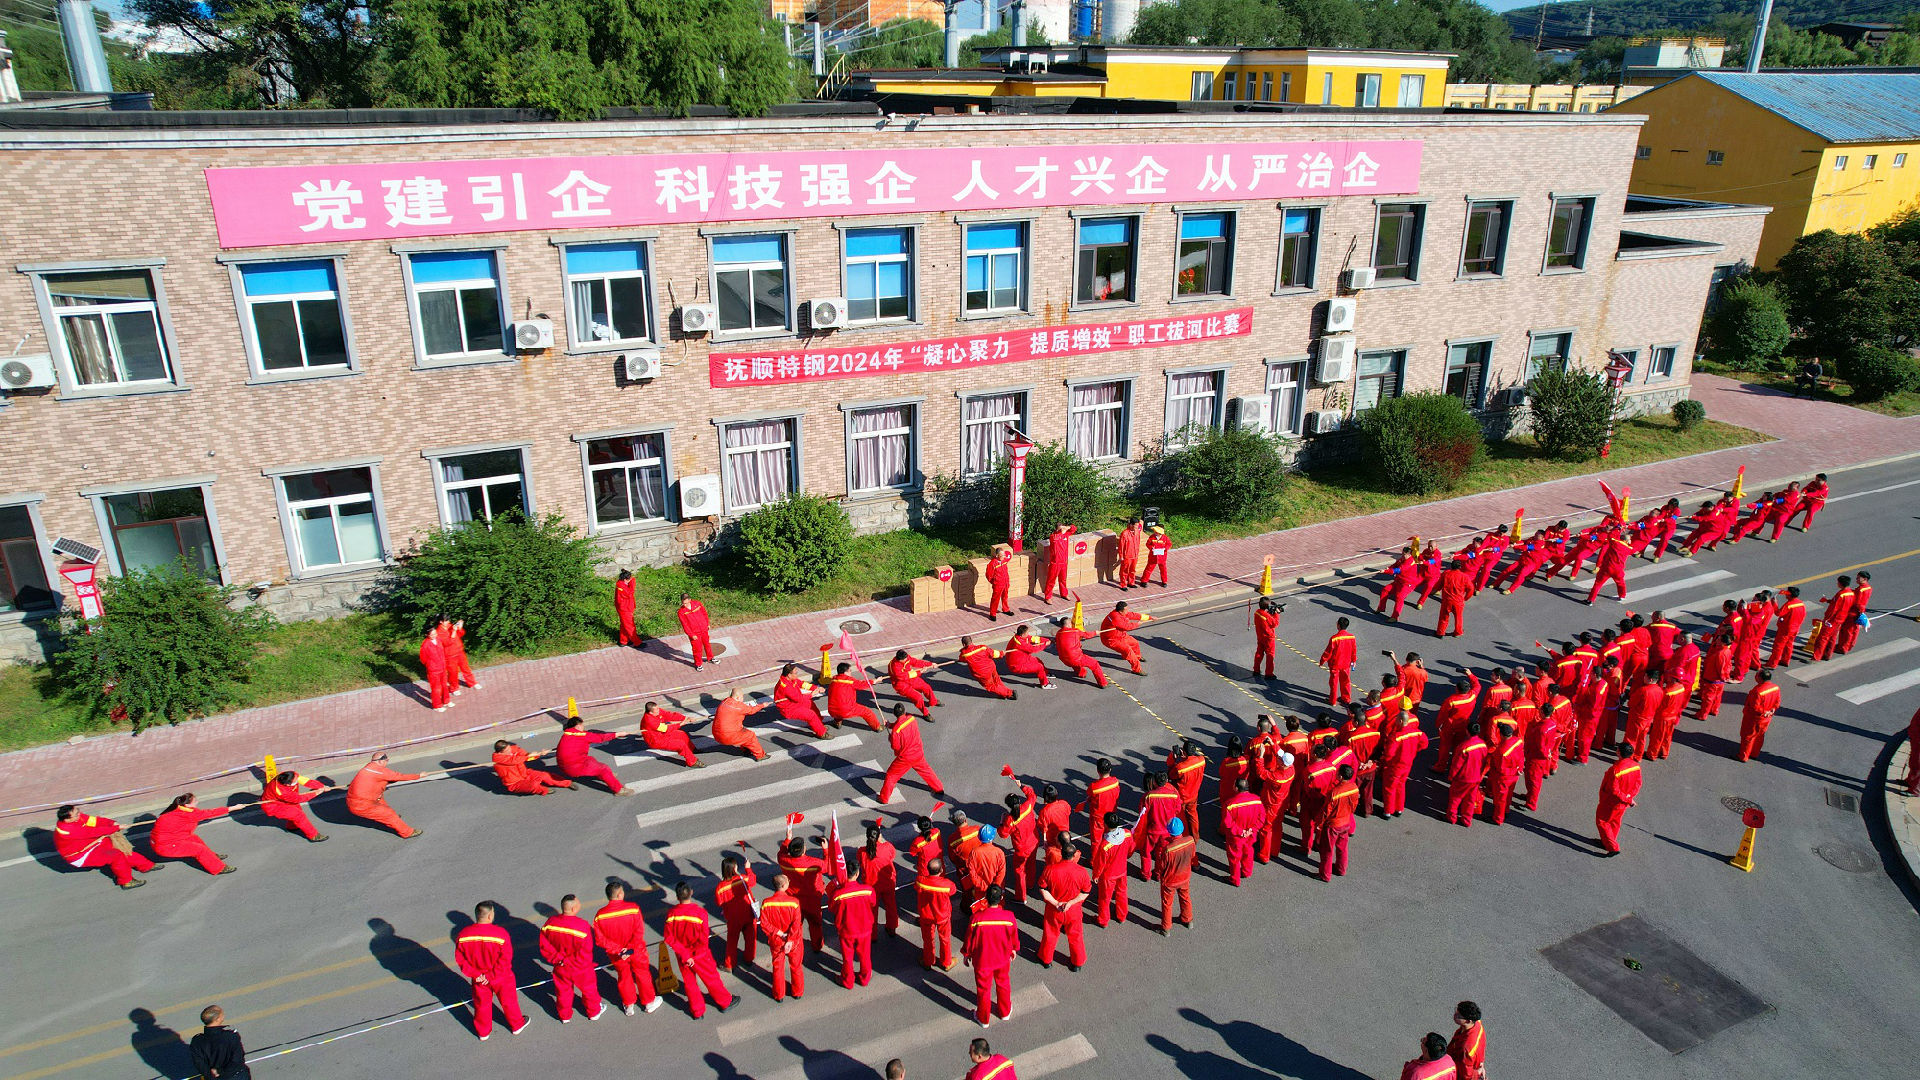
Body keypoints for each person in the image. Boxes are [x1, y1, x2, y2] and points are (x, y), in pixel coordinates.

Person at [455, 901, 530, 1040]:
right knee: (509, 1001)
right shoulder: (500, 934)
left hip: (479, 978)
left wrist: (476, 974)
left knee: (481, 1004)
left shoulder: (463, 935)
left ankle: (483, 1032)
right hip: (501, 976)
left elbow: (461, 960)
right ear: (490, 915)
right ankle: (516, 1025)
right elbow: (506, 958)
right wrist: (490, 975)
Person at [663, 882, 734, 1018]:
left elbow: (669, 938)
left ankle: (697, 1011)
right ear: (691, 893)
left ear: (677, 897)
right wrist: (695, 954)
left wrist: (685, 954)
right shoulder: (699, 913)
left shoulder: (671, 914)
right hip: (699, 953)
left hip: (682, 955)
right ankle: (725, 1002)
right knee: (711, 978)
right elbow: (703, 938)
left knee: (690, 982)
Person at [595, 881, 662, 1014]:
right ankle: (649, 1002)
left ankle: (629, 1004)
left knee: (624, 976)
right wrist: (629, 948)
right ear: (620, 894)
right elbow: (639, 932)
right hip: (636, 950)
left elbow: (600, 940)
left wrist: (618, 950)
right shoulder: (633, 909)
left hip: (617, 955)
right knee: (642, 974)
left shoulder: (600, 915)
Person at [54, 806, 157, 889]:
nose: (80, 814)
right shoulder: (67, 831)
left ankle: (145, 865)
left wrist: (111, 823)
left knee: (120, 848)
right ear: (67, 819)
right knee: (116, 855)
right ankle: (126, 881)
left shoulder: (78, 818)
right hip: (81, 854)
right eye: (76, 814)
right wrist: (116, 828)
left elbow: (96, 821)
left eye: (78, 811)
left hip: (92, 844)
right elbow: (94, 832)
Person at [540, 893, 606, 1022]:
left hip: (560, 966)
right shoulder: (582, 926)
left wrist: (559, 959)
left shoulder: (550, 924)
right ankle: (594, 1012)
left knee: (563, 992)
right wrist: (569, 961)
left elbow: (545, 946)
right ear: (573, 908)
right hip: (580, 967)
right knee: (589, 990)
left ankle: (564, 1016)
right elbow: (585, 951)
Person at [965, 884, 1020, 1028]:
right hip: (1002, 958)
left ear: (986, 899)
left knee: (983, 989)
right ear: (1001, 898)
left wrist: (966, 953)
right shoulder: (1009, 917)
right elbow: (1014, 936)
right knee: (1003, 983)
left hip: (982, 961)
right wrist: (1014, 949)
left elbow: (969, 939)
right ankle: (1004, 1012)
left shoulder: (976, 919)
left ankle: (983, 1018)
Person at [1036, 843, 1091, 969]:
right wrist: (1070, 903)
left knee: (1050, 934)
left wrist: (1056, 903)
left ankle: (1046, 959)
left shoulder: (1050, 869)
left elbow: (1043, 889)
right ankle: (1077, 963)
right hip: (1073, 910)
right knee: (1076, 936)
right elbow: (1085, 892)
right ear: (1074, 855)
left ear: (1062, 854)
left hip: (1054, 909)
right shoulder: (1082, 872)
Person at [151, 794, 235, 875]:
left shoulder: (176, 809)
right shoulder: (188, 814)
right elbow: (210, 813)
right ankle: (219, 868)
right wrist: (233, 808)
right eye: (195, 801)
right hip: (166, 846)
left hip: (165, 840)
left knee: (194, 839)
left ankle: (212, 857)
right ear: (187, 805)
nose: (197, 802)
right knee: (200, 849)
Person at [879, 704, 946, 804]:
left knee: (891, 775)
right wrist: (890, 725)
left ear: (894, 714)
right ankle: (939, 788)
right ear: (904, 711)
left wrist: (891, 738)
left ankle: (884, 798)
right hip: (918, 752)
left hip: (905, 758)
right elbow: (901, 724)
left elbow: (895, 747)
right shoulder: (911, 719)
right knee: (926, 771)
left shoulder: (895, 731)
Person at [346, 753, 423, 837]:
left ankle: (392, 819)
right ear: (380, 761)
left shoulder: (368, 768)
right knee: (388, 814)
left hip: (367, 798)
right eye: (386, 761)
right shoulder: (379, 771)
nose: (387, 763)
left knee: (382, 803)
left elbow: (383, 779)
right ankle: (407, 832)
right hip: (361, 804)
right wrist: (419, 776)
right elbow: (399, 776)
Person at [759, 874, 806, 1000]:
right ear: (784, 885)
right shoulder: (794, 902)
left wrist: (779, 933)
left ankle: (779, 994)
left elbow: (764, 924)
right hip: (794, 941)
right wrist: (790, 939)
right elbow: (796, 924)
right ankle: (797, 992)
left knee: (778, 967)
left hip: (776, 941)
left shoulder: (766, 903)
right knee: (796, 966)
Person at [555, 718, 630, 795]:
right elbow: (601, 737)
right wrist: (618, 734)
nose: (583, 727)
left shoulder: (566, 734)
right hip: (574, 767)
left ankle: (604, 776)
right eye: (582, 725)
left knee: (591, 760)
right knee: (604, 769)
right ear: (578, 726)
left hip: (564, 765)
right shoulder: (583, 735)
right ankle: (618, 790)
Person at [777, 837, 829, 950]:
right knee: (815, 924)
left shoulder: (783, 860)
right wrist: (826, 850)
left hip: (794, 899)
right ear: (804, 850)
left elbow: (781, 853)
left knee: (795, 924)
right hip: (812, 899)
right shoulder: (814, 863)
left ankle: (796, 946)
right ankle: (817, 945)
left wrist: (787, 839)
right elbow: (827, 866)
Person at [829, 872, 878, 988]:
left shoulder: (838, 894)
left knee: (847, 957)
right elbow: (873, 903)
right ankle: (865, 978)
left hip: (846, 930)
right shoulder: (868, 890)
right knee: (865, 955)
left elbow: (832, 908)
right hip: (864, 929)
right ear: (857, 873)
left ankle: (848, 980)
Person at [1596, 742, 1643, 856]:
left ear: (1619, 753)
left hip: (1611, 802)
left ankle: (1613, 847)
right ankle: (1607, 841)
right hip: (1623, 802)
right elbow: (1638, 783)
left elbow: (1614, 790)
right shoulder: (1636, 766)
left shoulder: (1616, 769)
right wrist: (1629, 797)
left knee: (1603, 821)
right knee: (1615, 822)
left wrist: (1627, 799)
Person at [258, 769, 330, 843]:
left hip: (284, 800)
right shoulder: (282, 792)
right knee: (298, 815)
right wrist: (316, 793)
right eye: (295, 780)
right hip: (273, 806)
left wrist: (322, 786)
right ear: (288, 785)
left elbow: (306, 781)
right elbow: (299, 799)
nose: (298, 779)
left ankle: (292, 826)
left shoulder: (290, 776)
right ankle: (314, 836)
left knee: (296, 810)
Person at [715, 854, 759, 971]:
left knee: (732, 941)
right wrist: (748, 868)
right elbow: (753, 880)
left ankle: (729, 964)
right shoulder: (743, 879)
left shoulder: (720, 887)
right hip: (748, 913)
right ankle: (749, 958)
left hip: (733, 918)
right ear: (735, 868)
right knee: (750, 938)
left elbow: (719, 902)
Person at [1153, 816, 1198, 933]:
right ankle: (1188, 920)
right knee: (1185, 897)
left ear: (1170, 832)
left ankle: (1166, 928)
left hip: (1170, 880)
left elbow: (1162, 866)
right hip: (1185, 876)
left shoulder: (1168, 849)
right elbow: (1193, 856)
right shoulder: (1190, 840)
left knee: (1167, 903)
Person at [1318, 764, 1360, 880]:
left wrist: (1319, 825)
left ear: (1340, 776)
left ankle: (1325, 875)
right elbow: (1354, 805)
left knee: (1327, 850)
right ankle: (1341, 869)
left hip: (1333, 825)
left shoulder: (1334, 792)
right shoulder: (1354, 787)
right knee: (1342, 847)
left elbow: (1326, 811)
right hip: (1346, 822)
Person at [858, 823, 901, 937]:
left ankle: (873, 934)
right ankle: (892, 927)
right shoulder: (887, 847)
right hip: (887, 882)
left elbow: (861, 861)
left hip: (871, 885)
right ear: (879, 836)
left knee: (872, 910)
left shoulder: (862, 852)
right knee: (891, 906)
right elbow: (892, 856)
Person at [1379, 719, 1427, 818]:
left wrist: (1384, 761)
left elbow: (1389, 754)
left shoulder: (1395, 736)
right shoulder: (1417, 732)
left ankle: (1388, 811)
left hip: (1394, 766)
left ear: (1400, 721)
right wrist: (1413, 751)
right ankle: (1399, 808)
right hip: (1407, 765)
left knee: (1389, 788)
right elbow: (1424, 744)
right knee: (1401, 786)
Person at [1221, 776, 1265, 885]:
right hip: (1250, 834)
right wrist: (1252, 829)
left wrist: (1241, 832)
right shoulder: (1257, 800)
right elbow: (1261, 818)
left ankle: (1235, 879)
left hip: (1236, 837)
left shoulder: (1230, 804)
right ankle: (1246, 871)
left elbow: (1228, 823)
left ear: (1236, 788)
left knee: (1234, 858)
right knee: (1248, 852)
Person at [915, 857, 958, 969]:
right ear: (941, 870)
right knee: (945, 939)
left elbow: (917, 887)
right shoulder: (947, 885)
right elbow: (953, 891)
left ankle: (928, 961)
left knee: (928, 939)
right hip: (942, 916)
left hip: (926, 915)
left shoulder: (920, 881)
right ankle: (946, 962)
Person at [1091, 814, 1134, 927]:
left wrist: (1096, 875)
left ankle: (1103, 920)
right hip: (1122, 871)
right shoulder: (1127, 834)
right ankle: (1122, 916)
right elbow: (1131, 849)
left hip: (1108, 876)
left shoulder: (1105, 845)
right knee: (1122, 893)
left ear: (1105, 824)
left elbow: (1100, 863)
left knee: (1104, 898)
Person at [1002, 786, 1042, 903]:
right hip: (1034, 842)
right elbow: (1032, 795)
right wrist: (1022, 787)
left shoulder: (1010, 819)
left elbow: (1003, 834)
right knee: (1031, 864)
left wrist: (1001, 822)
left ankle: (1021, 897)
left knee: (1020, 872)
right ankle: (1030, 884)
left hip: (1021, 849)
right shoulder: (1028, 806)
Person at [189, 1005, 250, 1080]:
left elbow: (199, 1064)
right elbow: (237, 1060)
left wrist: (211, 1076)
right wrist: (220, 1072)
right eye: (222, 1014)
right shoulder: (230, 1037)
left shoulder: (196, 1041)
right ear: (217, 1019)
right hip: (235, 1076)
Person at [491, 739, 573, 795]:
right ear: (500, 752)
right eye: (507, 750)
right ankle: (543, 790)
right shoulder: (499, 759)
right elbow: (514, 760)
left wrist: (538, 754)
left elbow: (526, 755)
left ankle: (567, 783)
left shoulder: (513, 750)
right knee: (534, 785)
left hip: (525, 773)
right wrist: (527, 756)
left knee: (544, 775)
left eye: (509, 748)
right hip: (515, 783)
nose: (510, 751)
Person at [636, 701, 703, 768]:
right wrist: (680, 724)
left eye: (658, 708)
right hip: (656, 740)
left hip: (662, 733)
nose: (659, 710)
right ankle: (692, 762)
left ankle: (691, 749)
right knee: (680, 744)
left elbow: (669, 715)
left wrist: (685, 718)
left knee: (682, 734)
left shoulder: (657, 711)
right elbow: (665, 728)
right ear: (650, 712)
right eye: (656, 710)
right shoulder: (649, 720)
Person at [1446, 723, 1488, 827]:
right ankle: (1466, 819)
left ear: (1467, 731)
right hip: (1476, 777)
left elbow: (1456, 764)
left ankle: (1451, 817)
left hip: (1463, 778)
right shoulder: (1483, 744)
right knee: (1470, 800)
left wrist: (1451, 776)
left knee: (1455, 798)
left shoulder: (1464, 747)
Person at [710, 688, 769, 762]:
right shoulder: (739, 706)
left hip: (716, 734)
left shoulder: (725, 701)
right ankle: (760, 755)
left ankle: (746, 750)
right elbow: (751, 710)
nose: (743, 699)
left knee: (743, 732)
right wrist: (763, 705)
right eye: (742, 697)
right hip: (728, 736)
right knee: (750, 736)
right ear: (737, 697)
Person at [1736, 669, 1782, 762]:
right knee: (1759, 736)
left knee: (1748, 736)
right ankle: (1754, 753)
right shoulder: (1775, 688)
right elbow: (1777, 702)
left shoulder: (1757, 691)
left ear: (1760, 678)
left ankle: (1743, 756)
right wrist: (1771, 710)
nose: (1755, 676)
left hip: (1754, 718)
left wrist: (1764, 711)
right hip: (1767, 718)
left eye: (1756, 675)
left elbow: (1755, 708)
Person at [773, 663, 829, 737]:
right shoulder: (786, 687)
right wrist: (812, 694)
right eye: (795, 673)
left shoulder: (790, 680)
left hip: (792, 703)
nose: (797, 675)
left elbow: (802, 684)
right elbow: (799, 699)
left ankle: (819, 724)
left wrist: (816, 688)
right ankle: (822, 733)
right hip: (788, 708)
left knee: (811, 704)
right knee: (810, 715)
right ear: (789, 675)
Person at [1052, 617, 1109, 688]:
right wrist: (1095, 633)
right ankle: (1103, 683)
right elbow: (1087, 635)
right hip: (1076, 658)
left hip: (1064, 659)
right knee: (1094, 664)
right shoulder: (1075, 631)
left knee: (1074, 662)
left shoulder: (1058, 633)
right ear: (1068, 624)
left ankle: (1081, 673)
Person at [1166, 740, 1206, 839]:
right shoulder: (1202, 760)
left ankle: (1184, 838)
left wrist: (1174, 759)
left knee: (1181, 817)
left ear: (1184, 752)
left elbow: (1170, 775)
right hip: (1194, 794)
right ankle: (1195, 837)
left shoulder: (1180, 767)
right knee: (1193, 816)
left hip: (1182, 796)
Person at [1811, 577, 1858, 662]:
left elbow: (1834, 608)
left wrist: (1827, 619)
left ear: (1840, 583)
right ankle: (1828, 654)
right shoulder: (1851, 593)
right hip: (1841, 619)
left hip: (1832, 620)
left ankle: (1816, 657)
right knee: (1832, 637)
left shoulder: (1841, 594)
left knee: (1822, 638)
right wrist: (1828, 601)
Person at [1099, 602, 1153, 676]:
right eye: (1126, 610)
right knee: (1128, 650)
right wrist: (1137, 624)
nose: (1128, 611)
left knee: (1134, 643)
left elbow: (1134, 615)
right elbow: (1126, 627)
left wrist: (1150, 617)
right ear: (1120, 611)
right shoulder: (1115, 618)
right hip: (1111, 640)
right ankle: (1136, 670)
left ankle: (1137, 657)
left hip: (1120, 635)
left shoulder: (1122, 613)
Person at [826, 663, 882, 731]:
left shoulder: (833, 680)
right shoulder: (850, 681)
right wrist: (875, 680)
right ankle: (877, 727)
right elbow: (862, 685)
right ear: (845, 672)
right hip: (846, 710)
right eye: (850, 671)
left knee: (838, 705)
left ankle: (837, 722)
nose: (851, 672)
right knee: (867, 712)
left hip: (831, 710)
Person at [889, 650, 943, 717]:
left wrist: (930, 664)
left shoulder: (906, 657)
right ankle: (925, 713)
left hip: (910, 677)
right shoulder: (894, 666)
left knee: (926, 687)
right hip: (900, 684)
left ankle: (933, 701)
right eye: (905, 659)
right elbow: (903, 676)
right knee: (918, 698)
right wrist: (920, 672)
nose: (907, 659)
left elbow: (916, 662)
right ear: (900, 660)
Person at [1584, 528, 1632, 605]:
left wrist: (1617, 529)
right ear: (1626, 541)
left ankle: (1590, 600)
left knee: (1598, 583)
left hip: (1607, 567)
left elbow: (1610, 535)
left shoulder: (1615, 543)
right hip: (1618, 569)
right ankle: (1622, 595)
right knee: (1620, 582)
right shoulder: (1629, 549)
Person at [1003, 624, 1056, 689]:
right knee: (1039, 667)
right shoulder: (1020, 643)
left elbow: (1035, 639)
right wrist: (1045, 644)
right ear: (1023, 634)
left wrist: (1047, 640)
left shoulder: (1020, 637)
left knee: (1038, 660)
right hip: (1017, 665)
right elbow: (1033, 649)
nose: (1028, 634)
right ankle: (1045, 684)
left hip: (1022, 658)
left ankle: (1045, 673)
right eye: (1027, 632)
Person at [1320, 617, 1358, 706]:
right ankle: (1346, 698)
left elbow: (1328, 652)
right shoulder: (1351, 637)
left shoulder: (1334, 638)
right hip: (1346, 664)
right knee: (1346, 681)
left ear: (1338, 625)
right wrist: (1353, 660)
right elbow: (1354, 650)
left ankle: (1333, 700)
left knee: (1334, 683)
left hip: (1335, 664)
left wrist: (1322, 661)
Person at [1769, 587, 1808, 668]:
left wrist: (1774, 603)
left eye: (1787, 592)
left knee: (1778, 646)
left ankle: (1772, 664)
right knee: (1789, 645)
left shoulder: (1789, 604)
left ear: (1789, 594)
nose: (1785, 594)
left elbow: (1778, 613)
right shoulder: (1801, 603)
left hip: (1786, 629)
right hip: (1795, 628)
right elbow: (1803, 615)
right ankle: (1785, 660)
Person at [420, 618, 452, 712]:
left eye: (435, 633)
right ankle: (437, 705)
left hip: (442, 667)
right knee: (436, 688)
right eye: (432, 634)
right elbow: (423, 659)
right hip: (433, 670)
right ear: (427, 635)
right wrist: (431, 665)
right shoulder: (425, 645)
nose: (435, 635)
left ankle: (446, 701)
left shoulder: (438, 640)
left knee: (444, 685)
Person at [1379, 545, 1418, 621]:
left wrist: (1386, 571)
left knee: (1399, 597)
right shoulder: (1402, 559)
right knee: (1385, 590)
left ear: (1409, 555)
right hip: (1399, 581)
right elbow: (1395, 565)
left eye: (1404, 554)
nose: (1402, 556)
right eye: (1402, 554)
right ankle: (1381, 608)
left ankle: (1395, 617)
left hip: (1407, 584)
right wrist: (1389, 568)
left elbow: (1399, 570)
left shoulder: (1410, 562)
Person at [1449, 1002, 1487, 1080]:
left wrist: (1477, 1073)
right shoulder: (1477, 1023)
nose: (1454, 1015)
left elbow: (1466, 1075)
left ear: (1468, 1021)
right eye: (1456, 1011)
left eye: (1459, 1016)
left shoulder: (1467, 1049)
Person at [1435, 559, 1472, 637]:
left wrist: (1436, 589)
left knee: (1443, 617)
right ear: (1460, 567)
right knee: (1458, 617)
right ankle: (1458, 632)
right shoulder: (1464, 576)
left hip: (1447, 600)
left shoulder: (1446, 574)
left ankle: (1440, 632)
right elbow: (1471, 589)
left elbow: (1438, 585)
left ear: (1451, 566)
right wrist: (1466, 598)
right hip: (1458, 601)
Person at [678, 593, 716, 670]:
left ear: (690, 600)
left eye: (686, 603)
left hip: (704, 629)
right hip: (695, 634)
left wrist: (707, 624)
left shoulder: (697, 604)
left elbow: (704, 613)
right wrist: (691, 634)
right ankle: (698, 664)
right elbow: (685, 625)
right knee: (697, 649)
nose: (684, 605)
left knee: (707, 644)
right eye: (683, 603)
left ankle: (710, 658)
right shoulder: (681, 612)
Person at [1839, 571, 1872, 655]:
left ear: (1864, 579)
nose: (1856, 579)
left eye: (1858, 578)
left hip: (1853, 612)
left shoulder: (1860, 589)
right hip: (1860, 612)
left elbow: (1856, 602)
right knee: (1855, 630)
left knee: (1847, 630)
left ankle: (1843, 648)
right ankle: (1851, 644)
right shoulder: (1868, 587)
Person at [1042, 523, 1076, 602]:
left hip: (1064, 562)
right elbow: (1056, 537)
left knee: (1063, 579)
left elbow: (1074, 528)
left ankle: (1064, 594)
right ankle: (1048, 597)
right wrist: (1061, 531)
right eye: (1061, 529)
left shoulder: (1066, 535)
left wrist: (1067, 527)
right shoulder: (1053, 536)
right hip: (1055, 563)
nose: (1063, 530)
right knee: (1051, 580)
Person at [445, 619, 479, 692]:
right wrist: (454, 632)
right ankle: (454, 688)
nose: (448, 622)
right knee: (453, 673)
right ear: (441, 622)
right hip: (450, 655)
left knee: (465, 668)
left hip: (459, 651)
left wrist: (460, 628)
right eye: (446, 621)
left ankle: (472, 683)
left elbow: (460, 634)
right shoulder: (440, 631)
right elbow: (447, 642)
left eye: (448, 620)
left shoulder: (451, 626)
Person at [1252, 598, 1281, 678]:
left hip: (1260, 636)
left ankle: (1256, 670)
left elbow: (1265, 619)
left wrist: (1269, 614)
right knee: (1270, 655)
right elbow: (1275, 623)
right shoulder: (1266, 615)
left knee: (1259, 653)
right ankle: (1269, 673)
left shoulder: (1257, 612)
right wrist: (1277, 614)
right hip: (1268, 638)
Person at [984, 546, 1013, 621]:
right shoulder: (992, 563)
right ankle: (992, 614)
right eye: (1002, 555)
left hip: (1005, 582)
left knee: (1005, 596)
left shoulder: (1004, 560)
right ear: (997, 555)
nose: (1004, 556)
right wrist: (994, 582)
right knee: (995, 599)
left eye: (1004, 554)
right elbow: (988, 575)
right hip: (998, 584)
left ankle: (1006, 609)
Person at [614, 570, 640, 648]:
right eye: (629, 579)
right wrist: (633, 583)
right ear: (625, 579)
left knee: (624, 625)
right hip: (625, 609)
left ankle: (623, 641)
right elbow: (629, 593)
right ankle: (637, 642)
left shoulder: (621, 584)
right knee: (630, 626)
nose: (631, 579)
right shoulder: (621, 587)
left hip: (625, 608)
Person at [1117, 518, 1144, 589]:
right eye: (1136, 525)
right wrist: (1121, 556)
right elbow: (1121, 546)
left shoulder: (1137, 532)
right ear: (1131, 525)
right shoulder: (1124, 533)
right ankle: (1123, 584)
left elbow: (1138, 542)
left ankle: (1131, 582)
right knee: (1124, 571)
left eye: (1137, 525)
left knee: (1133, 570)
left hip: (1135, 555)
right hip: (1127, 556)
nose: (1137, 527)